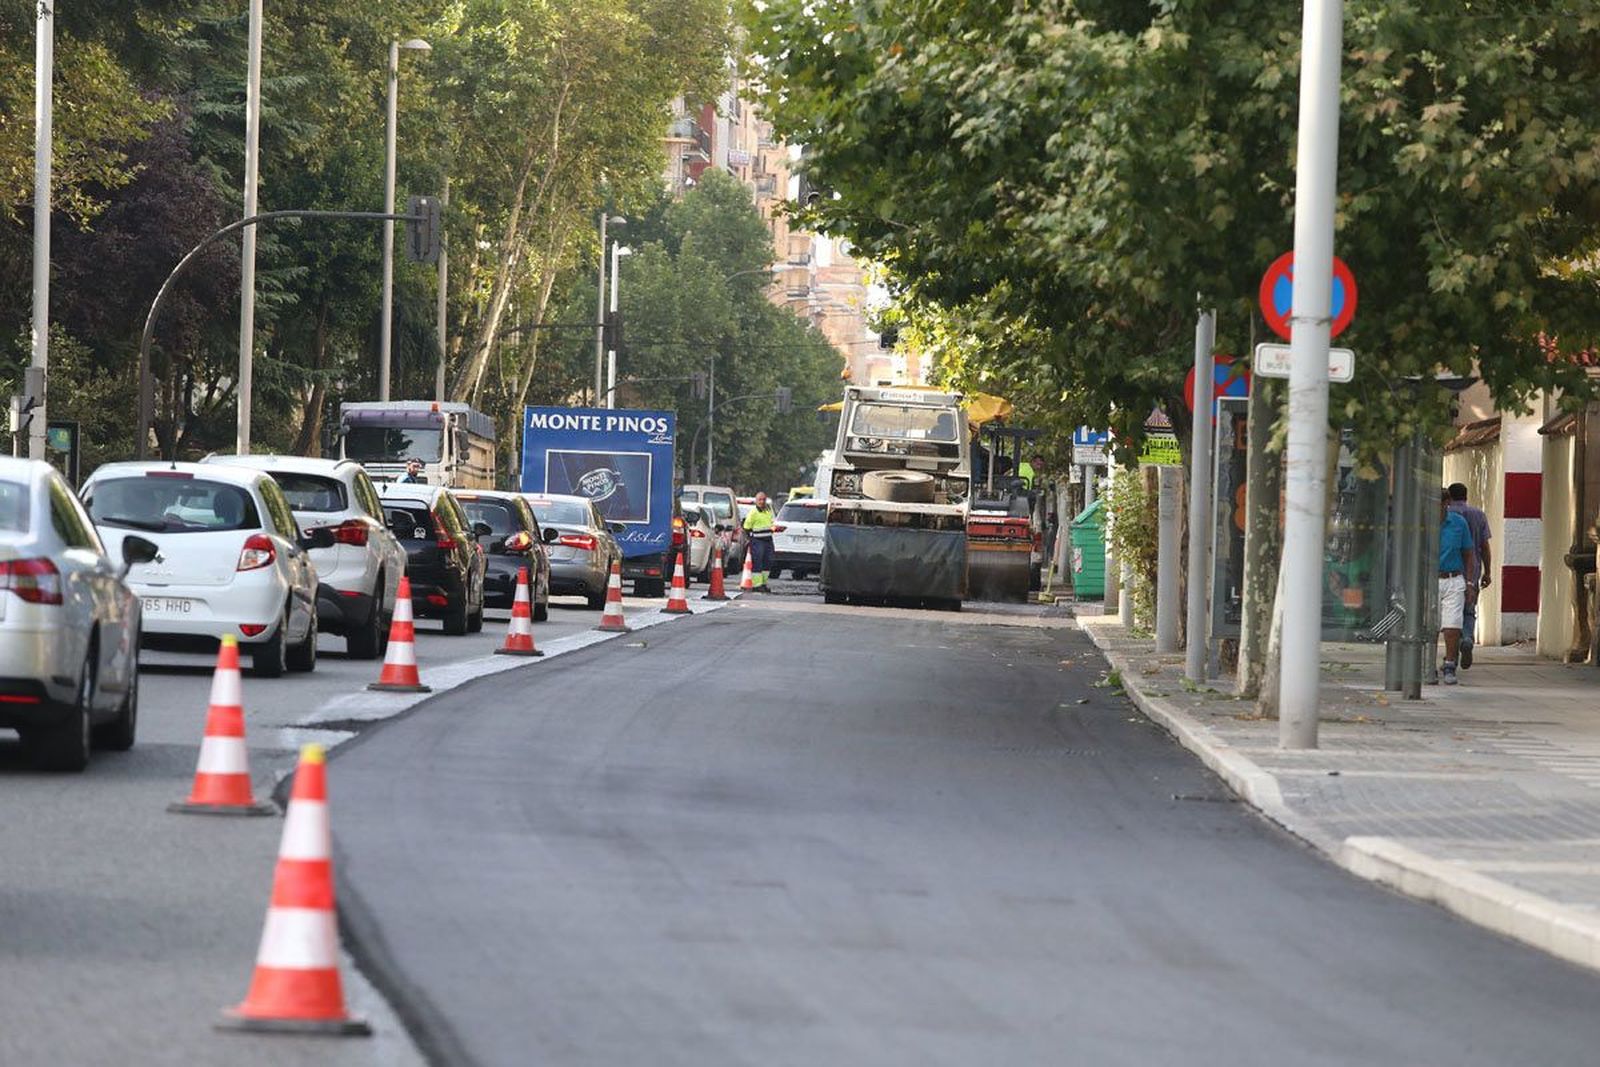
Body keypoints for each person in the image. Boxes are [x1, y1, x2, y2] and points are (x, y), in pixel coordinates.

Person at [1447, 482, 1492, 669]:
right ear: (1466, 495)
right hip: (1472, 570)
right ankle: (1467, 637)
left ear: (1449, 497)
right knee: (1469, 609)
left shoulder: (1447, 515)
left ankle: (1453, 649)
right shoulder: (1478, 515)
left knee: (1451, 612)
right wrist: (1487, 571)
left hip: (1450, 568)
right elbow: (1485, 547)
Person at [1437, 488, 1477, 686]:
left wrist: (1470, 583)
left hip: (1453, 578)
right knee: (1428, 624)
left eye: (1440, 503)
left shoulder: (1458, 524)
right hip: (1429, 580)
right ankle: (1424, 663)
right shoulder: (1421, 524)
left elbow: (1469, 554)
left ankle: (1450, 663)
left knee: (1452, 625)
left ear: (1447, 504)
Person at [742, 491, 776, 592]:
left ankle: (763, 583)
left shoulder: (768, 510)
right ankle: (757, 585)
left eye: (763, 499)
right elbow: (747, 527)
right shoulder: (753, 512)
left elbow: (773, 523)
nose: (762, 502)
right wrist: (751, 538)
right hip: (757, 540)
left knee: (768, 562)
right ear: (756, 501)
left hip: (768, 540)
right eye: (759, 500)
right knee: (758, 562)